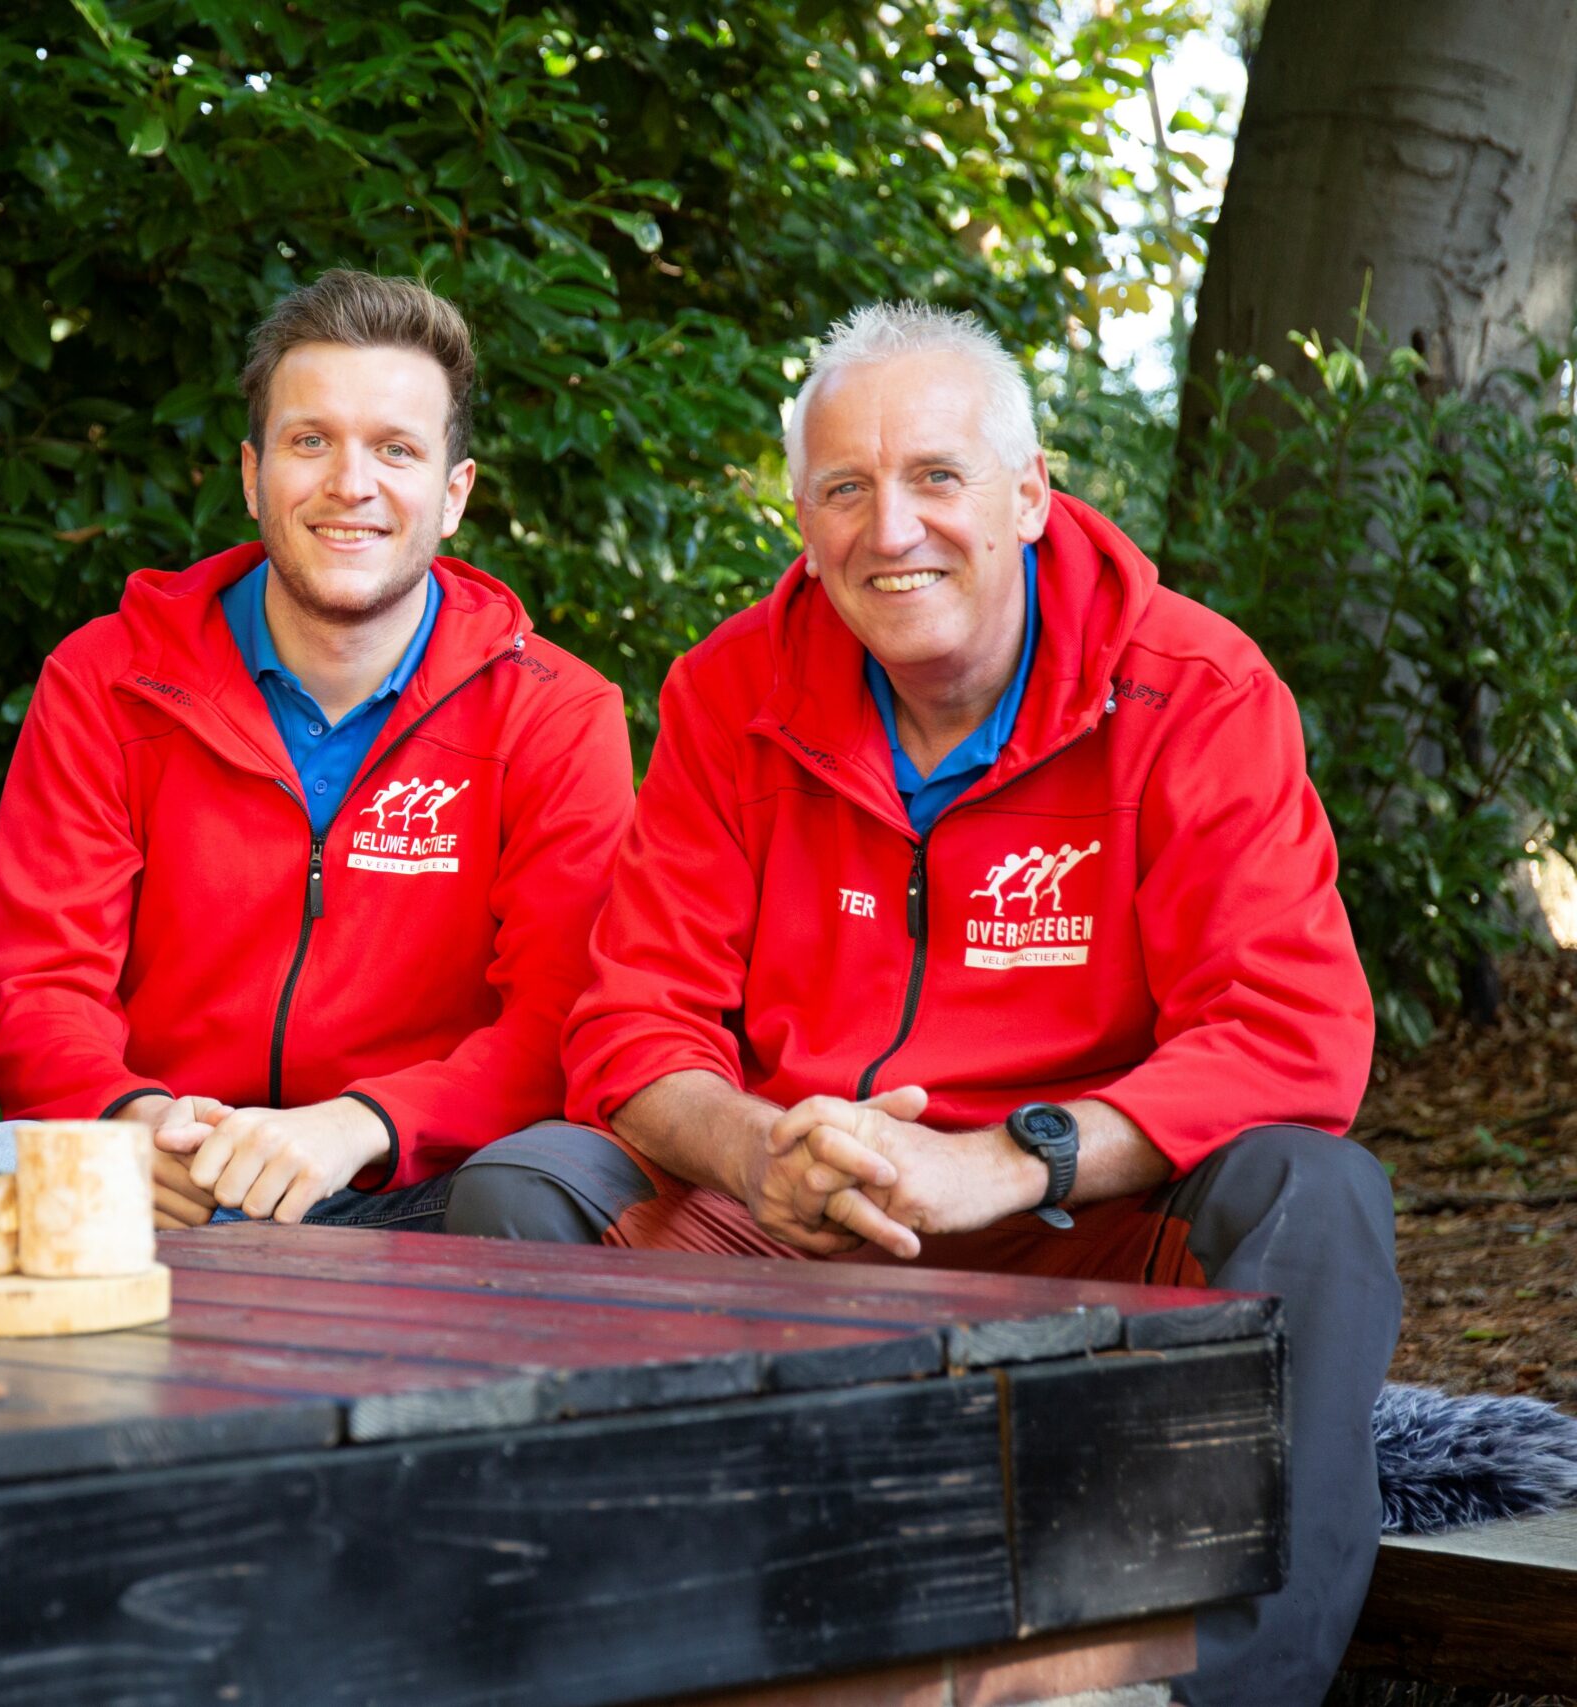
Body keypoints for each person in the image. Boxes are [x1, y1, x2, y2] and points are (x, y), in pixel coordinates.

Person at [551, 303, 1398, 1705]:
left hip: (1090, 1230)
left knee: (1321, 1192)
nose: (893, 529)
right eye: (845, 487)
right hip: (800, 1230)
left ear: (1028, 494)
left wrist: (1013, 1156)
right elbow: (632, 1022)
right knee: (532, 1190)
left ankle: (1212, 1688)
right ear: (802, 518)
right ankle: (659, 1660)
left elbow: (1294, 1028)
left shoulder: (1191, 686)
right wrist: (761, 1148)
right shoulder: (726, 691)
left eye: (937, 477)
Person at [0, 270, 639, 1238]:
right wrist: (133, 1121)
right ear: (251, 475)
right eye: (309, 441)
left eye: (394, 450)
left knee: (538, 1186)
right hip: (168, 1169)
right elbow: (35, 987)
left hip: (414, 1182)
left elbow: (557, 1021)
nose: (348, 484)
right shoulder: (108, 679)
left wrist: (361, 1124)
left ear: (453, 495)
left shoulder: (555, 714)